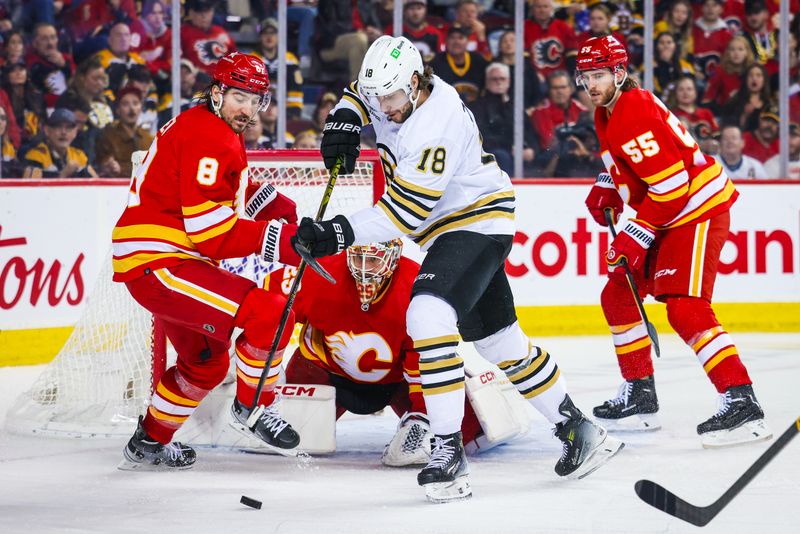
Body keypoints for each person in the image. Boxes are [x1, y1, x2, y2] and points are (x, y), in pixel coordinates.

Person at [292, 35, 622, 503]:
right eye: (377, 98)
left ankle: (446, 452)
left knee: (426, 315)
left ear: (413, 83)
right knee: (499, 341)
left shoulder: (436, 126)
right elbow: (359, 93)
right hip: (454, 228)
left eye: (389, 98)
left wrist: (334, 233)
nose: (383, 109)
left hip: (475, 222)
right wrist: (345, 117)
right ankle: (579, 428)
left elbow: (402, 215)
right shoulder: (395, 87)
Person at [576, 36, 771, 448]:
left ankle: (742, 401)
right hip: (670, 212)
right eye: (586, 76)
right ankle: (640, 396)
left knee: (685, 306)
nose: (591, 84)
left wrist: (635, 234)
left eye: (599, 75)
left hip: (696, 210)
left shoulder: (632, 111)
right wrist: (608, 185)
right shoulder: (607, 113)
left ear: (619, 73)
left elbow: (672, 186)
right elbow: (634, 165)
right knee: (619, 295)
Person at [112, 52, 303, 470]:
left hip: (159, 261)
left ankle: (149, 442)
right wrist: (285, 240)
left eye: (256, 100)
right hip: (162, 262)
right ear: (217, 93)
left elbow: (224, 185)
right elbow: (212, 235)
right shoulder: (211, 136)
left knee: (205, 364)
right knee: (272, 314)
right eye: (239, 97)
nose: (248, 110)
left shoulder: (204, 126)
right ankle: (253, 407)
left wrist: (272, 203)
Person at [95, 86, 154, 177]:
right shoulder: (107, 137)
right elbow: (104, 165)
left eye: (135, 103)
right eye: (126, 104)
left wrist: (122, 168)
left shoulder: (148, 139)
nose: (132, 109)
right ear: (118, 110)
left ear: (141, 108)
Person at [22, 108, 97, 178]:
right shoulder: (36, 156)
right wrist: (62, 174)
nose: (63, 132)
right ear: (47, 130)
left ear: (75, 132)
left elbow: (96, 185)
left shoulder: (80, 156)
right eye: (58, 127)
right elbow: (31, 189)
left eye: (68, 128)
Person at [253, 18, 304, 119]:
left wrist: (293, 113)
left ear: (279, 36)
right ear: (260, 37)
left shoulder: (290, 60)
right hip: (258, 114)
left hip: (285, 114)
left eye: (273, 33)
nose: (269, 36)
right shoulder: (252, 60)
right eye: (265, 33)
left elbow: (295, 90)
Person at [428, 25, 488, 104]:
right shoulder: (435, 62)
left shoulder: (479, 61)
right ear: (446, 41)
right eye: (452, 38)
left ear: (467, 41)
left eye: (461, 38)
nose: (456, 42)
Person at [181, 0, 237, 75]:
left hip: (224, 78)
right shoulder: (183, 33)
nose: (203, 16)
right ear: (191, 13)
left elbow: (235, 57)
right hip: (198, 79)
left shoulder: (221, 31)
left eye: (207, 11)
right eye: (199, 11)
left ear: (212, 12)